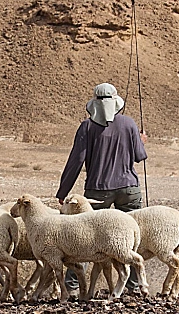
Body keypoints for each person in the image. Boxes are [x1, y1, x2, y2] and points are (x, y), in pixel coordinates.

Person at [56, 82, 147, 297]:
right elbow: (140, 156)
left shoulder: (86, 127)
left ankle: (73, 286)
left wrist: (63, 192)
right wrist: (141, 141)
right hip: (128, 188)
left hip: (97, 191)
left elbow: (75, 162)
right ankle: (134, 287)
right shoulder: (128, 123)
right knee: (132, 239)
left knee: (86, 239)